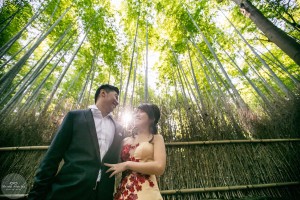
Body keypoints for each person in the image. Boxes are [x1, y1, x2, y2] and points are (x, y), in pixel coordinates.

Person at [28, 84, 124, 200]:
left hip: (102, 194)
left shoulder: (118, 128)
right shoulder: (75, 117)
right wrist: (36, 195)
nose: (118, 102)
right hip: (69, 190)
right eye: (116, 96)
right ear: (103, 93)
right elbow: (52, 157)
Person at [105, 103, 166, 200]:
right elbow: (114, 162)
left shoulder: (156, 138)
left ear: (152, 118)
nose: (136, 114)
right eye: (136, 112)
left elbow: (159, 167)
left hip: (146, 192)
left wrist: (128, 164)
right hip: (123, 192)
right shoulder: (125, 140)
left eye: (141, 112)